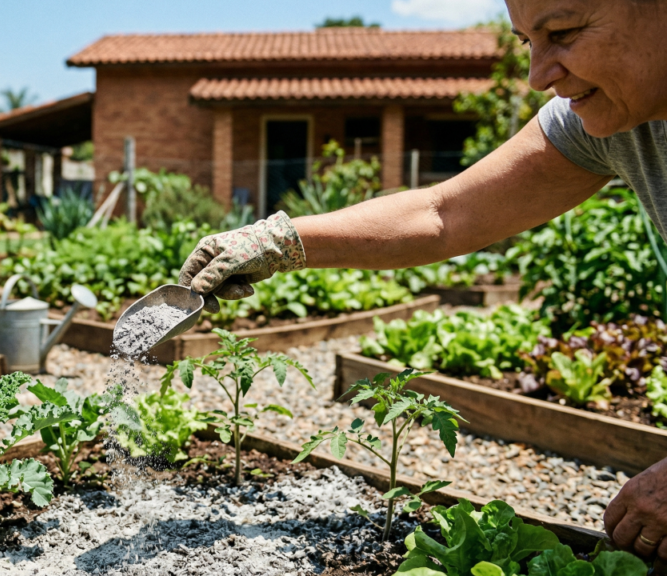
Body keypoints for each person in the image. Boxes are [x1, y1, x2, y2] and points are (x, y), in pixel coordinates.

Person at [178, 0, 667, 560]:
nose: (537, 77)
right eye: (528, 42)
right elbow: (443, 214)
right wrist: (278, 241)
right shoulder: (604, 119)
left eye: (564, 32)